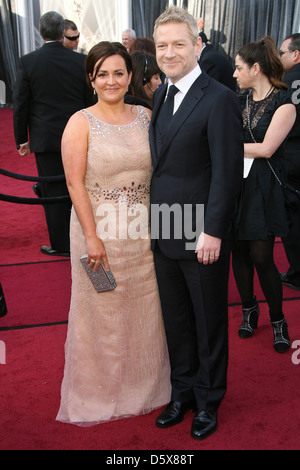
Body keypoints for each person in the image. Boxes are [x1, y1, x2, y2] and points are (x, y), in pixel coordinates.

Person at [56, 41, 171, 426]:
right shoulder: (80, 122)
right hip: (98, 234)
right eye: (102, 73)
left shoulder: (146, 115)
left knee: (146, 310)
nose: (111, 80)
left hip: (144, 234)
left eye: (118, 73)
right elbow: (74, 184)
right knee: (102, 313)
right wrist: (92, 237)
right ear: (91, 79)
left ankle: (148, 386)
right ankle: (101, 392)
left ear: (129, 76)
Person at [149, 6, 244, 440]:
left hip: (200, 231)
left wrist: (213, 230)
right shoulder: (159, 95)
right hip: (164, 228)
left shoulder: (221, 97)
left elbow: (226, 172)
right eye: (162, 45)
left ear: (197, 46)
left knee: (208, 323)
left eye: (178, 44)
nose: (169, 53)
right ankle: (182, 393)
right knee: (177, 319)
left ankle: (208, 401)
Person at [232, 37, 296, 353]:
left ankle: (278, 319)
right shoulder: (237, 101)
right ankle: (248, 309)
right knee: (239, 253)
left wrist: (223, 146)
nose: (234, 74)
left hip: (264, 188)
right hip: (237, 186)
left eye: (239, 67)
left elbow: (267, 148)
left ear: (255, 68)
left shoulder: (284, 104)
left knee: (262, 256)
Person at [13, 11, 94, 257]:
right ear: (62, 33)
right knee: (79, 186)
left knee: (52, 192)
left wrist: (21, 139)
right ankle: (82, 237)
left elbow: (20, 104)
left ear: (40, 32)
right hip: (78, 136)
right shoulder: (79, 61)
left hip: (46, 140)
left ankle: (60, 244)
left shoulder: (29, 62)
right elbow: (89, 101)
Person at [278, 33, 300, 291]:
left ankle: (297, 273)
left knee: (292, 217)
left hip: (291, 152)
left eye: (282, 53)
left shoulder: (285, 83)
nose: (280, 57)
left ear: (296, 54)